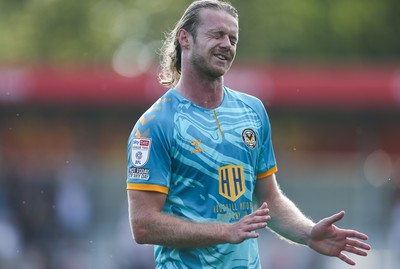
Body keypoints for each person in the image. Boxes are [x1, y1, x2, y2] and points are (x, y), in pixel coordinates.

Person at [126, 1, 371, 268]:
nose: (227, 45)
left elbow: (269, 199)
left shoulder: (252, 112)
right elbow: (144, 225)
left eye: (233, 38)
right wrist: (224, 231)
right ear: (185, 38)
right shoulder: (155, 124)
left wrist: (309, 233)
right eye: (217, 35)